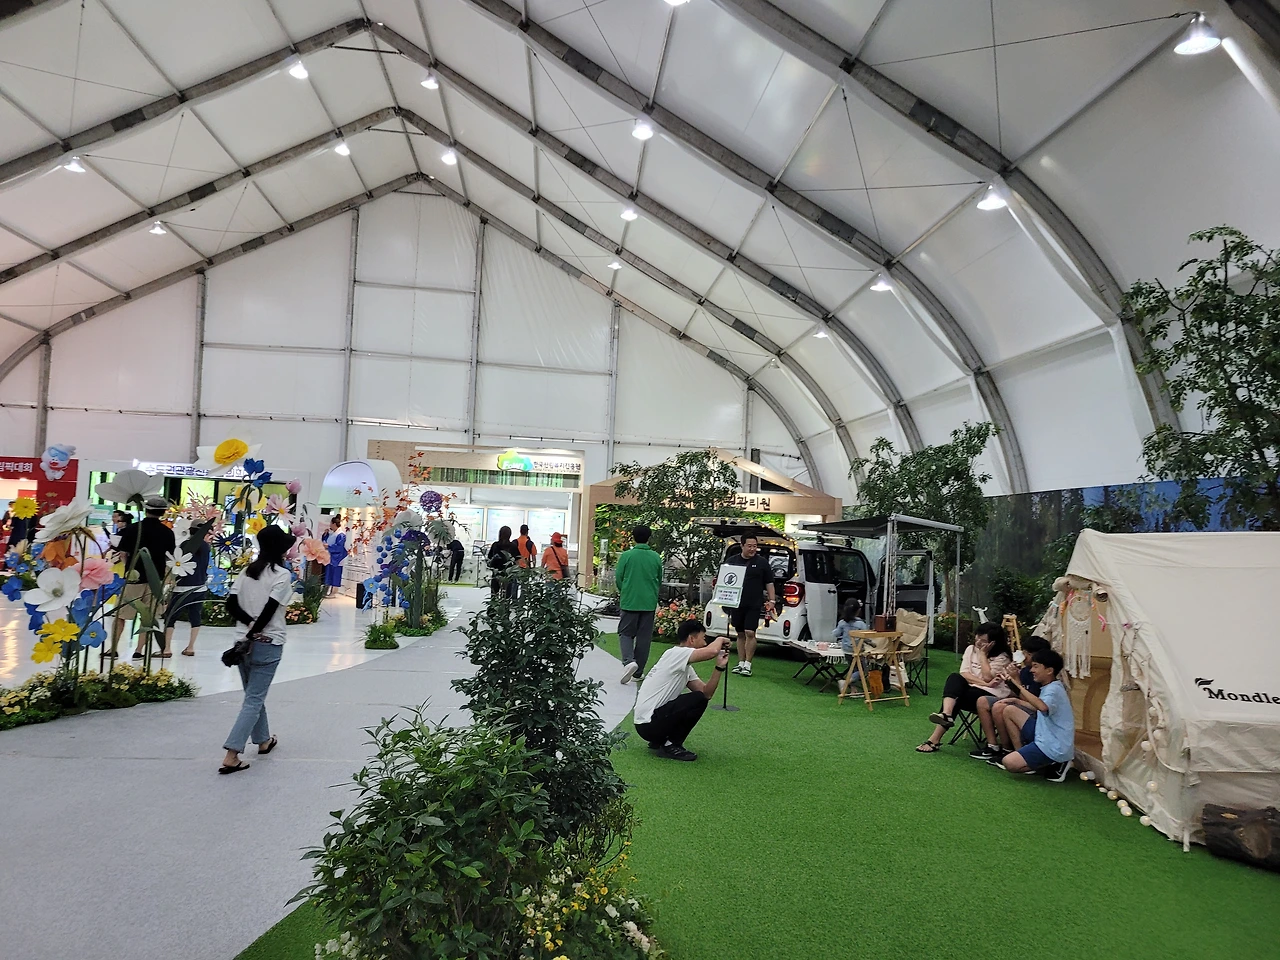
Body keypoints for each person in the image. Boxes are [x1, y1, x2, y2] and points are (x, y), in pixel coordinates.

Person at [219, 525, 296, 775]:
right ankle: (232, 754)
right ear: (281, 549)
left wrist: (248, 627)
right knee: (253, 699)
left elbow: (231, 604)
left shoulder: (246, 571)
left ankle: (263, 740)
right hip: (268, 643)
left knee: (253, 695)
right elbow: (270, 609)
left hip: (241, 645)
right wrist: (256, 631)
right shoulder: (282, 575)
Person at [632, 620, 730, 761]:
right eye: (703, 638)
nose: (705, 643)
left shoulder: (682, 663)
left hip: (646, 725)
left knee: (700, 697)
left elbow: (706, 693)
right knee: (697, 698)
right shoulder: (677, 653)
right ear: (691, 639)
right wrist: (720, 639)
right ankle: (671, 745)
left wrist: (719, 667)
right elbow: (712, 652)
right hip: (649, 724)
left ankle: (662, 740)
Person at [915, 621, 1012, 753]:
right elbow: (964, 674)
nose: (978, 642)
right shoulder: (970, 649)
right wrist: (985, 684)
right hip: (972, 690)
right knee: (955, 678)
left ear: (993, 643)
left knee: (957, 697)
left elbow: (988, 677)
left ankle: (935, 739)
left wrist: (982, 655)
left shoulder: (1002, 658)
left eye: (983, 641)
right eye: (977, 637)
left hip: (991, 696)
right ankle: (946, 714)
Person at [112, 495, 176, 660]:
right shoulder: (167, 533)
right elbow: (170, 557)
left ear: (146, 510)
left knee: (121, 615)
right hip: (156, 580)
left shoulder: (133, 529)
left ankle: (113, 649)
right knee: (148, 617)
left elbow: (123, 553)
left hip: (134, 579)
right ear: (163, 512)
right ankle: (139, 651)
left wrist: (129, 568)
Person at [997, 648, 1074, 781]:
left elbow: (1042, 707)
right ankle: (1023, 754)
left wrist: (1015, 684)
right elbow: (1038, 707)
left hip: (1053, 745)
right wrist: (1016, 700)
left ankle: (1059, 762)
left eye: (1036, 666)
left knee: (1009, 763)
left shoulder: (1054, 689)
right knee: (1010, 710)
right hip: (1043, 732)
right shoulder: (1050, 686)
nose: (1031, 670)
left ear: (1049, 671)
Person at [970, 635, 1050, 760]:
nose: (1024, 656)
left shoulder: (1041, 676)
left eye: (1027, 654)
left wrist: (1016, 681)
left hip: (1032, 709)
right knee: (983, 701)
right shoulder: (1025, 671)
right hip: (1019, 702)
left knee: (999, 707)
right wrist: (1008, 680)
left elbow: (1029, 701)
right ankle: (993, 746)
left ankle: (1007, 749)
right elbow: (1016, 693)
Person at [723, 533, 776, 677]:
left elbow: (769, 583)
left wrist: (772, 601)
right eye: (749, 546)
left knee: (750, 632)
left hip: (754, 603)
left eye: (755, 546)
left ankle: (748, 664)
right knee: (740, 633)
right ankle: (740, 663)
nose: (752, 549)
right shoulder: (732, 561)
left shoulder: (762, 562)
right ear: (742, 546)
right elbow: (724, 579)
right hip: (736, 603)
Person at [616, 524, 663, 684]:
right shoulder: (655, 557)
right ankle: (638, 672)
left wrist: (625, 591)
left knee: (625, 633)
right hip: (648, 602)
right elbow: (659, 579)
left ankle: (629, 661)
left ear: (633, 537)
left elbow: (619, 578)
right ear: (649, 538)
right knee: (644, 638)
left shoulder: (627, 556)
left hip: (629, 601)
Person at [162, 522, 213, 658]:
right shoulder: (206, 546)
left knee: (171, 617)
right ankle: (190, 647)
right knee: (195, 616)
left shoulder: (186, 544)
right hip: (200, 587)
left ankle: (167, 648)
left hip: (183, 587)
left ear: (190, 531)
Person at [832, 599, 871, 695]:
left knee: (853, 668)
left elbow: (836, 634)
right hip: (857, 651)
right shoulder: (861, 624)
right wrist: (872, 643)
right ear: (858, 611)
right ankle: (845, 682)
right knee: (862, 670)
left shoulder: (842, 622)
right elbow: (866, 636)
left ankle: (853, 690)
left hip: (846, 650)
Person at [487, 526, 519, 598]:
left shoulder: (495, 545)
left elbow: (489, 558)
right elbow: (517, 560)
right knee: (507, 595)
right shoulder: (513, 546)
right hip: (508, 575)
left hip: (496, 573)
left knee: (494, 595)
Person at [322, 515, 347, 597]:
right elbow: (326, 540)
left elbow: (339, 547)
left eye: (330, 523)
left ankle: (333, 592)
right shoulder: (333, 533)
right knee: (329, 574)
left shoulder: (341, 534)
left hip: (338, 557)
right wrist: (325, 534)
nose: (329, 525)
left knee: (335, 574)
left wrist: (329, 547)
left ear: (334, 524)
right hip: (331, 557)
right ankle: (326, 591)